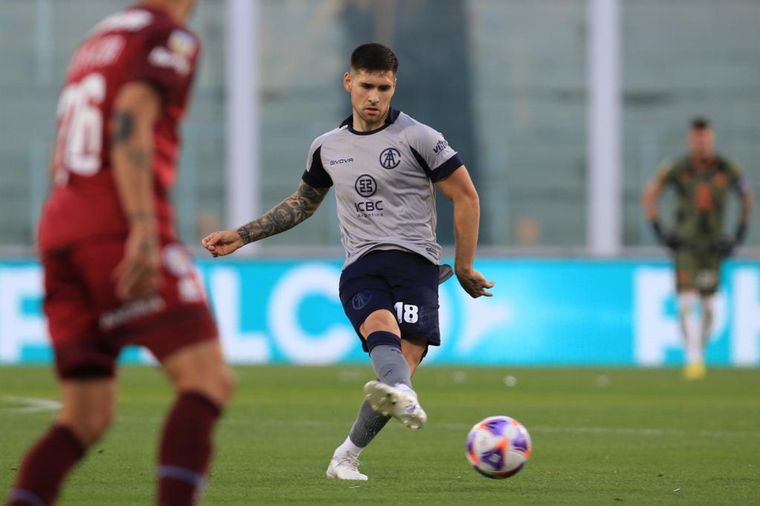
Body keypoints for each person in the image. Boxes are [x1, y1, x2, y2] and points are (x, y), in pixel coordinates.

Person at [202, 42, 494, 480]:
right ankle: (397, 391)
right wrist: (242, 235)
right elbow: (302, 203)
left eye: (383, 87)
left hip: (416, 264)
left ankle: (347, 456)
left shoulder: (420, 138)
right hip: (362, 264)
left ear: (394, 87)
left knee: (402, 364)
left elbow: (465, 196)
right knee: (380, 328)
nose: (374, 97)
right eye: (366, 86)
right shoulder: (327, 147)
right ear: (348, 82)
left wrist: (466, 265)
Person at [6, 1, 234, 505]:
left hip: (62, 225)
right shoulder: (166, 37)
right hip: (112, 226)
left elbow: (62, 146)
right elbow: (130, 116)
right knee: (207, 380)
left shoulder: (98, 38)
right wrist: (144, 229)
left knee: (85, 415)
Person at [642, 116, 753, 380]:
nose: (701, 142)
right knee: (686, 301)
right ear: (691, 139)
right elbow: (651, 193)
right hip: (686, 245)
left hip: (713, 245)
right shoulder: (679, 167)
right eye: (696, 137)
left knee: (711, 304)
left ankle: (698, 348)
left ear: (711, 138)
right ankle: (693, 358)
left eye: (705, 137)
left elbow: (747, 196)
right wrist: (659, 229)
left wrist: (738, 234)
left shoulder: (727, 168)